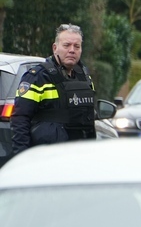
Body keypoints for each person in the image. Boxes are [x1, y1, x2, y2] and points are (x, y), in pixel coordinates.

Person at [11, 23, 98, 154]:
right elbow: (20, 119)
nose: (72, 50)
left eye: (77, 46)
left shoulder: (84, 77)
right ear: (55, 48)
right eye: (67, 45)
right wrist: (21, 157)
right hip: (47, 155)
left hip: (79, 154)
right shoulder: (37, 78)